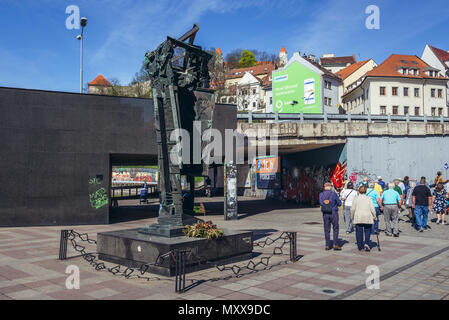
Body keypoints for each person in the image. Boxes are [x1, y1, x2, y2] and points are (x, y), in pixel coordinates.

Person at [351, 185, 377, 252]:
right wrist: (374, 216)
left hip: (358, 216)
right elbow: (372, 208)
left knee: (359, 231)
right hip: (367, 216)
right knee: (367, 231)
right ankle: (366, 243)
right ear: (366, 191)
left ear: (359, 191)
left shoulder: (356, 198)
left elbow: (352, 209)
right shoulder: (369, 198)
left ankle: (360, 246)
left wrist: (352, 216)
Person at [319, 182, 342, 251]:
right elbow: (339, 203)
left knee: (326, 229)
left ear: (324, 187)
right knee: (335, 228)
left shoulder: (321, 194)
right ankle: (335, 244)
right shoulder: (334, 194)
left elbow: (320, 202)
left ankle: (327, 245)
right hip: (333, 212)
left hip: (325, 213)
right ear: (330, 187)